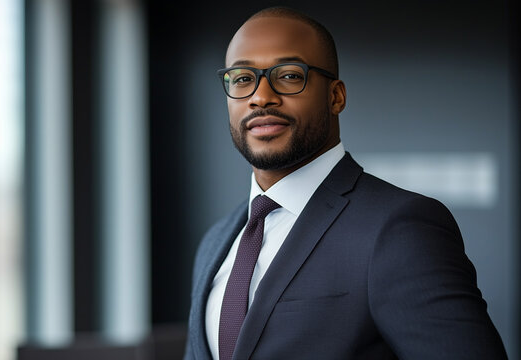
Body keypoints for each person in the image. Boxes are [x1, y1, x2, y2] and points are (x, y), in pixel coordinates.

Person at [184, 6, 507, 360]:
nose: (261, 96)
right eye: (243, 78)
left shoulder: (400, 227)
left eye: (290, 75)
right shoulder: (216, 242)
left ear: (336, 96)